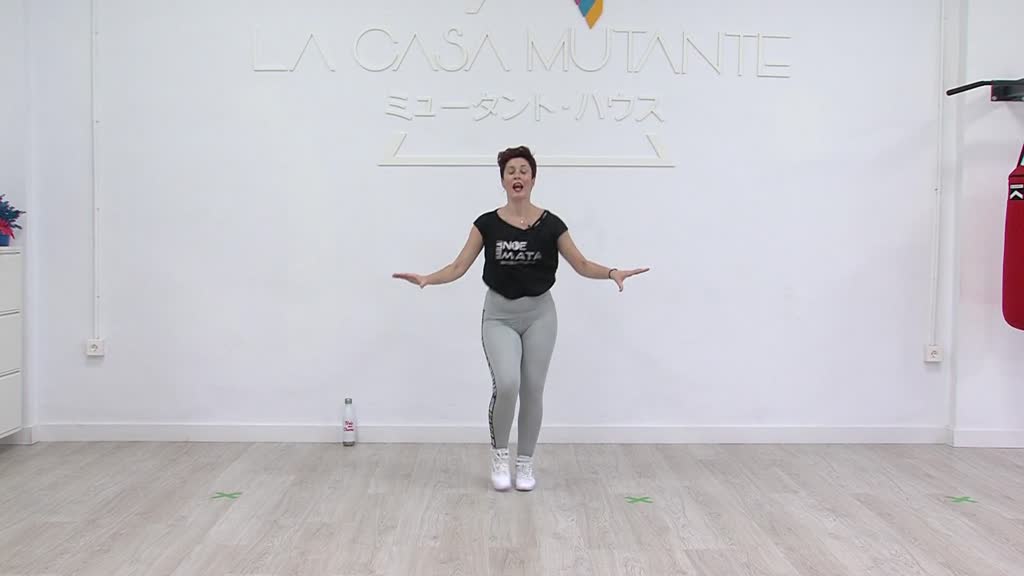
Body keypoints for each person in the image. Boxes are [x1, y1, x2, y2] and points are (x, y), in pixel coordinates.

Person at [393, 146, 649, 492]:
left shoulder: (551, 224)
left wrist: (612, 272)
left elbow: (582, 264)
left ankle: (525, 462)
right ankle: (500, 455)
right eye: (510, 171)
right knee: (508, 384)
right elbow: (458, 266)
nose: (517, 176)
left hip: (540, 316)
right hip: (499, 316)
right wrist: (428, 278)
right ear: (503, 180)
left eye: (523, 171)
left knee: (532, 389)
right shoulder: (486, 224)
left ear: (533, 179)